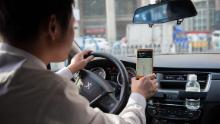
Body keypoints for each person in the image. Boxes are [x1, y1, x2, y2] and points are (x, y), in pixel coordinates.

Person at [0, 0, 158, 124]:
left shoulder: (18, 79)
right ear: (53, 26)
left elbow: (30, 87)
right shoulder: (52, 93)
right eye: (73, 27)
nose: (73, 33)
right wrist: (138, 95)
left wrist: (71, 69)